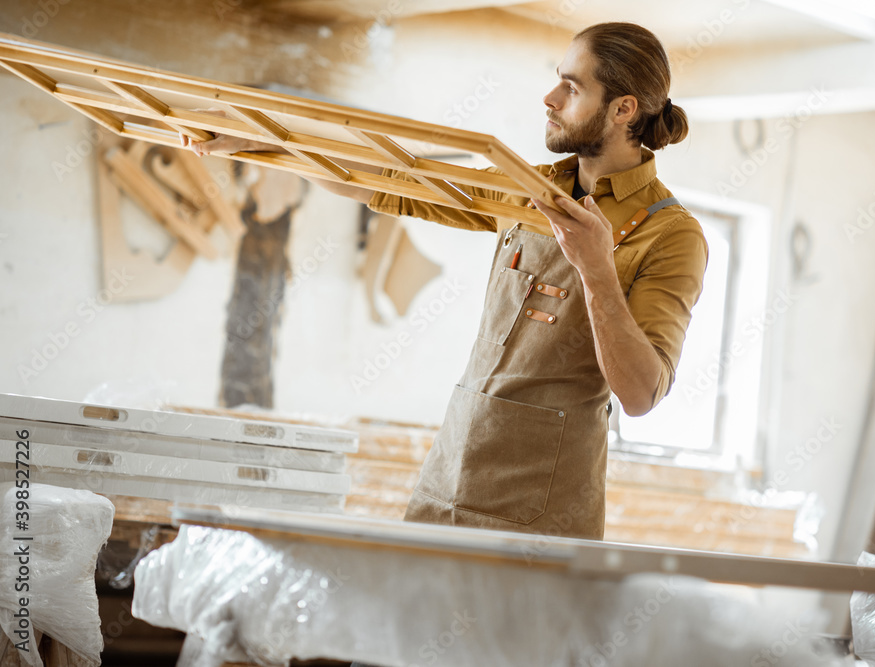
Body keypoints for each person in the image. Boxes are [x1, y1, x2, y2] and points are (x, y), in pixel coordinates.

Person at [184, 22, 707, 663]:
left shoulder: (671, 235)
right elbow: (390, 179)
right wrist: (265, 143)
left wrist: (596, 266)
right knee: (406, 649)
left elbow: (641, 391)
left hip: (540, 513)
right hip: (449, 477)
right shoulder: (532, 190)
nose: (549, 98)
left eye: (571, 87)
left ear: (623, 109)